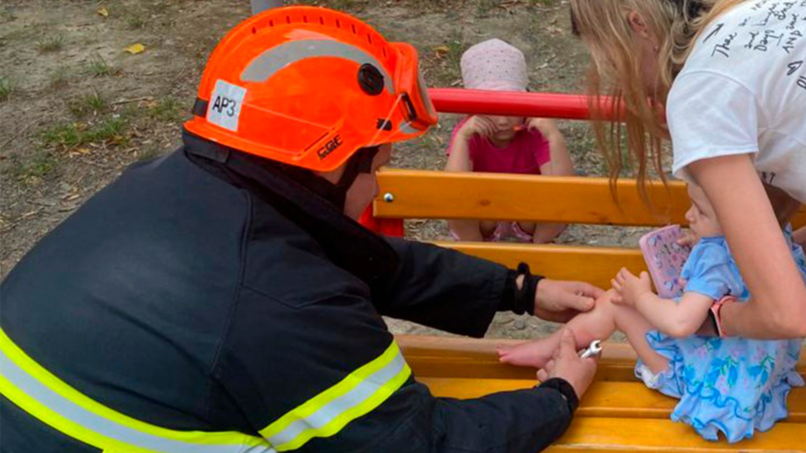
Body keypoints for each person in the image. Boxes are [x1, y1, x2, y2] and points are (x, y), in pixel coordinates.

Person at [0, 7, 604, 453]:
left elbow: (360, 259)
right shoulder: (281, 300)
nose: (376, 187)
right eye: (380, 166)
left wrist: (520, 290)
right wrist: (556, 397)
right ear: (333, 162)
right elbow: (417, 444)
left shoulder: (183, 184)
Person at [568, 0, 806, 338]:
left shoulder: (702, 88)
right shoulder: (764, 16)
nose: (625, 82)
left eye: (615, 61)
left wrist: (711, 319)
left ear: (640, 25)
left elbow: (785, 315)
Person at [499, 183, 806, 442]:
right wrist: (709, 235)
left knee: (615, 303)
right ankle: (553, 345)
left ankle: (553, 346)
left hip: (701, 380)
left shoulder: (715, 260)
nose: (688, 216)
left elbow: (681, 322)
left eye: (700, 211)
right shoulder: (778, 245)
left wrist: (640, 296)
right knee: (622, 303)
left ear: (733, 221)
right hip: (753, 377)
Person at [445, 39, 575, 244]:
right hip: (484, 212)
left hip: (529, 214)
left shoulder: (535, 129)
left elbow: (565, 189)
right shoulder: (468, 132)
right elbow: (452, 191)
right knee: (458, 211)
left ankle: (539, 251)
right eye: (491, 110)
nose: (503, 121)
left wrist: (553, 137)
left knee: (556, 206)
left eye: (512, 108)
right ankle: (475, 253)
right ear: (472, 110)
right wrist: (462, 138)